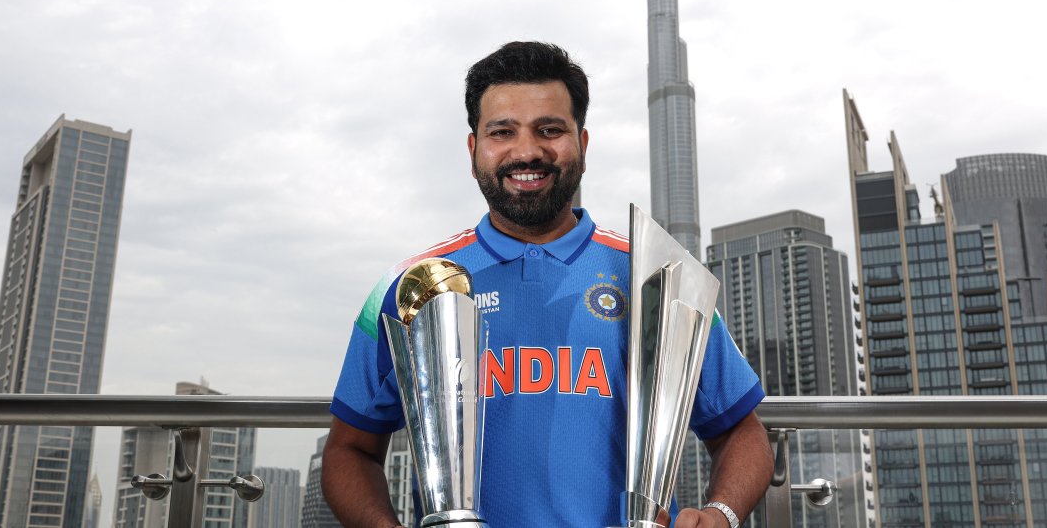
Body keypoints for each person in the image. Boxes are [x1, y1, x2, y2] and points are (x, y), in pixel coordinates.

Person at [323, 41, 773, 528]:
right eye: (502, 132)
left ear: (582, 142)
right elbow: (350, 450)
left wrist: (721, 514)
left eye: (549, 130)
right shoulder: (411, 286)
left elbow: (740, 431)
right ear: (474, 148)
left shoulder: (660, 278)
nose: (527, 151)